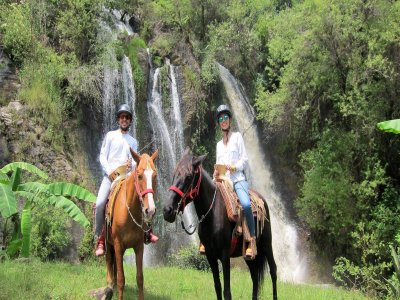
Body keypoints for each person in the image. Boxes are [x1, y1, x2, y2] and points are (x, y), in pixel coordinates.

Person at [94, 103, 158, 257]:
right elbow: (103, 156)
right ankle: (100, 238)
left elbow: (137, 164)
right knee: (101, 203)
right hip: (110, 177)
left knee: (142, 199)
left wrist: (132, 165)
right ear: (118, 119)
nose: (124, 119)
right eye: (122, 117)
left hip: (127, 178)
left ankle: (146, 231)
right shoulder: (110, 136)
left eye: (127, 117)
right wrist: (109, 171)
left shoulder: (133, 141)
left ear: (130, 121)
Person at [199, 104, 256, 259]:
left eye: (225, 118)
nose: (223, 121)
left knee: (245, 204)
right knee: (206, 201)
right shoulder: (218, 145)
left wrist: (234, 167)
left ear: (230, 120)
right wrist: (215, 172)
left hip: (237, 180)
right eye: (221, 119)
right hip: (222, 181)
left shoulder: (237, 137)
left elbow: (244, 160)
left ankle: (251, 239)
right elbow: (218, 163)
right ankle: (203, 240)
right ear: (219, 123)